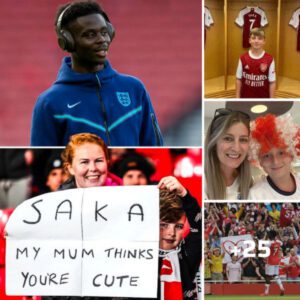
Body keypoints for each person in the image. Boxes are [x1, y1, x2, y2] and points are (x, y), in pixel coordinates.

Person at [31, 1, 163, 147]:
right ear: (68, 42)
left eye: (104, 32)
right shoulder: (49, 103)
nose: (102, 40)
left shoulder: (135, 89)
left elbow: (155, 147)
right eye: (90, 35)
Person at [249, 113, 300, 199]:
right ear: (260, 161)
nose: (275, 161)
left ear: (292, 154)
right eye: (266, 156)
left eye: (281, 153)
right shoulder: (256, 195)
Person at [205, 108, 252, 200]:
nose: (236, 148)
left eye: (243, 140)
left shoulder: (250, 183)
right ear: (214, 143)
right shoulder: (202, 182)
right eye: (228, 139)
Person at [236, 27, 276, 98]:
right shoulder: (243, 58)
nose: (256, 41)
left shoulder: (270, 59)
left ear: (264, 41)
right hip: (245, 99)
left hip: (263, 99)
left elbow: (272, 82)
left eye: (260, 38)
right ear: (249, 40)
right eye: (253, 38)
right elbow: (238, 79)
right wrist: (237, 98)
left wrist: (271, 101)